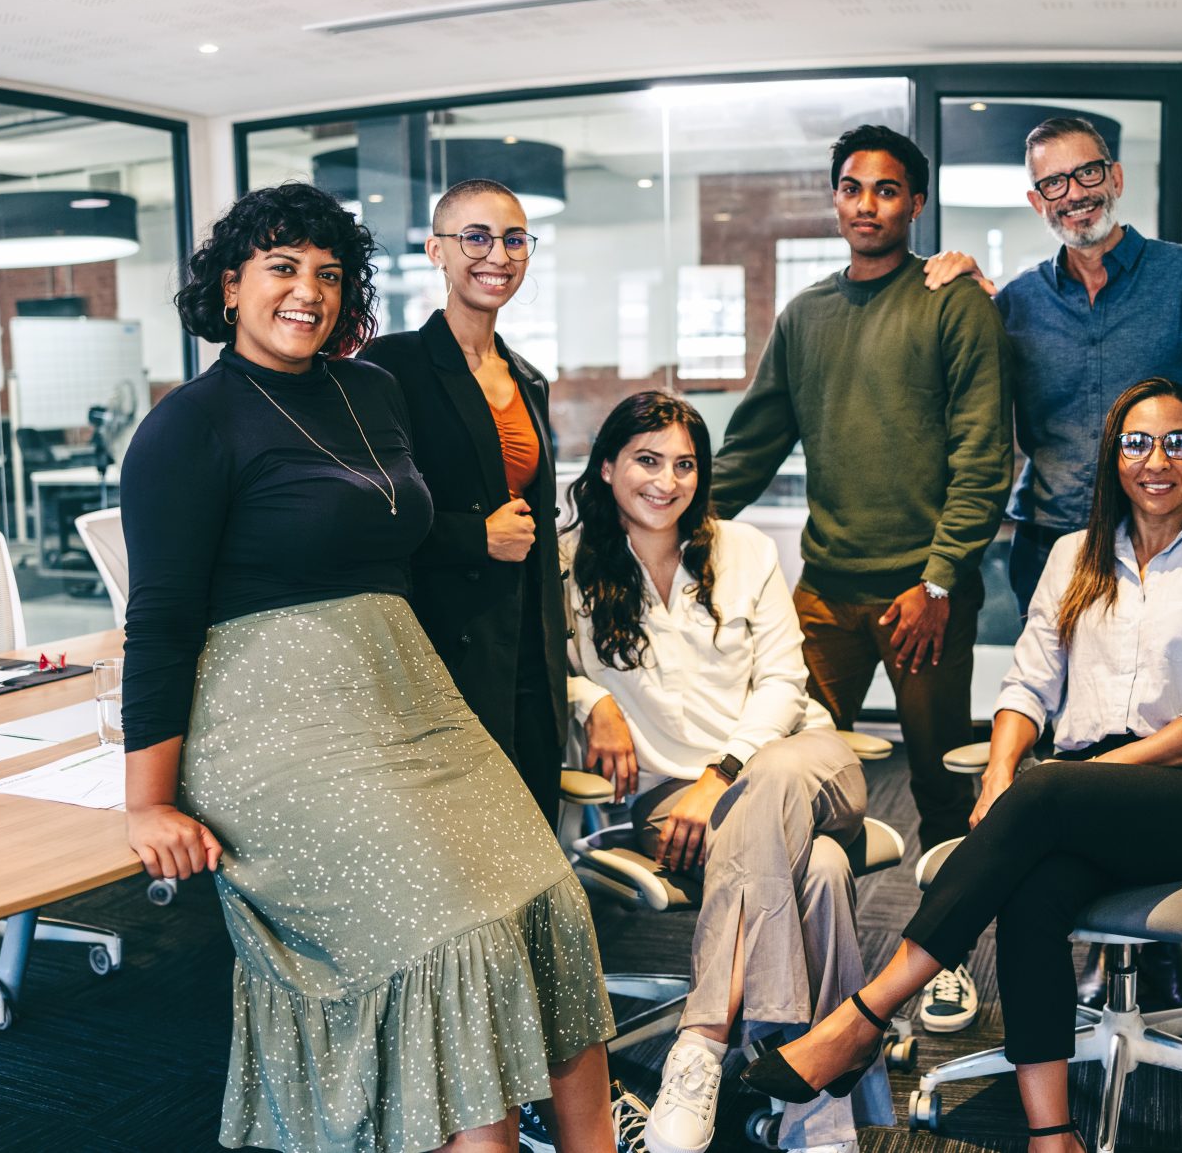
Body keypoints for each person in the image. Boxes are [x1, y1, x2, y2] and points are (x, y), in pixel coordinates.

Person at [118, 182, 619, 1153]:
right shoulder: (189, 425)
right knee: (456, 939)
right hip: (271, 722)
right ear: (229, 287)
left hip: (406, 698)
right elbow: (161, 620)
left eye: (327, 272)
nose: (306, 290)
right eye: (280, 267)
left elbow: (422, 533)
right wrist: (147, 798)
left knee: (551, 902)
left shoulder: (373, 392)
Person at [739, 378, 1182, 1153]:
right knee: (1033, 891)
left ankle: (863, 1016)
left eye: (1179, 442)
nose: (1157, 460)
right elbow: (1027, 682)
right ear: (1113, 458)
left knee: (1051, 784)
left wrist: (1096, 770)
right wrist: (996, 780)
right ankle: (1051, 1133)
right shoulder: (1074, 555)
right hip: (1079, 793)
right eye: (1137, 443)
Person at [924, 113, 1182, 1018]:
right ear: (1034, 200)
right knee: (1073, 727)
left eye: (1086, 177)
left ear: (1114, 178)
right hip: (1061, 547)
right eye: (1052, 184)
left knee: (1148, 731)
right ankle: (1088, 938)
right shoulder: (1017, 305)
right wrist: (964, 284)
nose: (1071, 196)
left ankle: (1152, 957)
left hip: (1178, 541)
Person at [562, 392, 887, 1153]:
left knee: (769, 786)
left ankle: (701, 1041)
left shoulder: (744, 549)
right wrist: (590, 699)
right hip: (672, 800)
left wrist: (722, 774)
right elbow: (535, 670)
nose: (666, 480)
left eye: (684, 464)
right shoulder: (569, 563)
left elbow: (784, 683)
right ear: (607, 466)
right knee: (824, 872)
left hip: (799, 761)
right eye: (647, 460)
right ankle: (817, 1109)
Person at [708, 124, 1013, 857]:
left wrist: (939, 582)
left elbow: (984, 458)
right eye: (851, 189)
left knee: (940, 788)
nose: (866, 205)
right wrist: (670, 520)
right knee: (785, 762)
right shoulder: (805, 316)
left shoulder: (954, 303)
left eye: (885, 190)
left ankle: (948, 962)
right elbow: (750, 449)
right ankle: (806, 933)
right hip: (826, 590)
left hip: (924, 596)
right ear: (835, 200)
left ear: (916, 203)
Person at [360, 178, 566, 823]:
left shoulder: (528, 377)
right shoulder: (389, 367)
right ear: (436, 251)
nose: (497, 256)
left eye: (513, 239)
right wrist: (475, 537)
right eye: (474, 237)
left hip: (527, 636)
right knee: (465, 837)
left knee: (532, 826)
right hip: (441, 639)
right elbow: (366, 514)